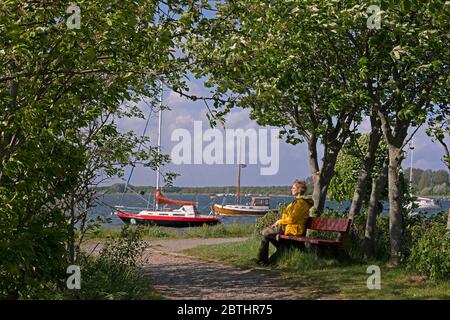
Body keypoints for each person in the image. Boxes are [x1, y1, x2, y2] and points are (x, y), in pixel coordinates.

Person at [256, 180, 314, 265]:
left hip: (294, 230)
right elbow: (287, 216)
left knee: (265, 232)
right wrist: (281, 221)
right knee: (266, 233)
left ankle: (263, 260)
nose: (291, 189)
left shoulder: (301, 203)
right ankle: (265, 259)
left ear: (299, 190)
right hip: (288, 228)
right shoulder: (296, 202)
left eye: (293, 188)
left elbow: (292, 219)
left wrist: (279, 221)